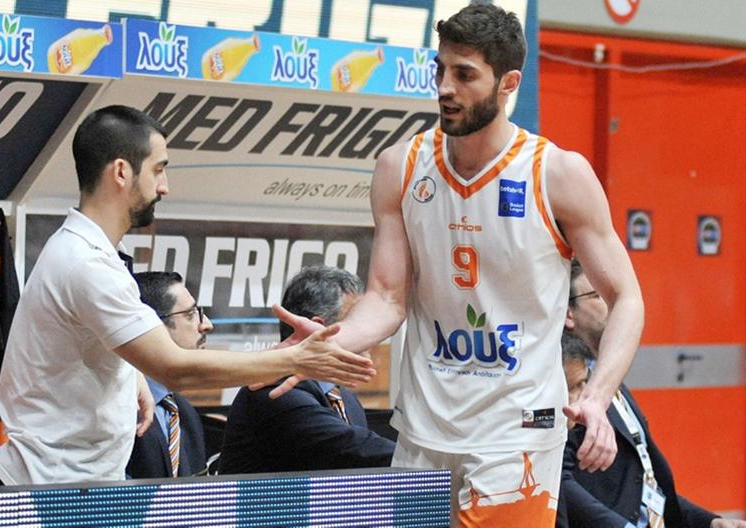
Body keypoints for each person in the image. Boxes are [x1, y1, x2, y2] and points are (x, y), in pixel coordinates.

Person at [272, 4, 643, 525]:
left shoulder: (556, 173)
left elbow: (627, 297)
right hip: (423, 430)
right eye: (440, 70)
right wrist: (324, 345)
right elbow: (386, 298)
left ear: (508, 83)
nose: (445, 87)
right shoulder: (400, 166)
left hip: (517, 434)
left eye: (465, 74)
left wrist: (599, 397)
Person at [0, 105, 375, 486]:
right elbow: (176, 368)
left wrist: (130, 375)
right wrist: (295, 359)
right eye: (158, 169)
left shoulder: (95, 254)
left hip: (69, 483)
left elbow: (91, 348)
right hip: (44, 489)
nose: (164, 186)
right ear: (121, 172)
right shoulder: (85, 263)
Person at [561, 261, 744, 528]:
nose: (614, 305)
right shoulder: (566, 384)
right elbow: (558, 482)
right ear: (568, 313)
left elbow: (645, 484)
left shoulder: (610, 379)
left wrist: (709, 522)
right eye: (598, 295)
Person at [219, 266, 396, 474]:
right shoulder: (274, 391)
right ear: (319, 329)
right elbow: (354, 450)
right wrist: (424, 458)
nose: (368, 332)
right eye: (355, 321)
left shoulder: (346, 398)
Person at [126, 272, 210, 479]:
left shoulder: (184, 411)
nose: (207, 324)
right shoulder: (117, 407)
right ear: (153, 326)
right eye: (190, 314)